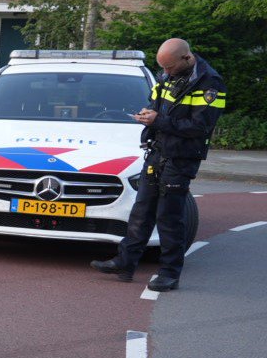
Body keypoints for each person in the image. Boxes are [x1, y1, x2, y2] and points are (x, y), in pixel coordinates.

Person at [91, 38, 226, 291]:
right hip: (157, 152)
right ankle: (125, 262)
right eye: (163, 68)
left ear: (186, 58)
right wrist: (147, 116)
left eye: (170, 68)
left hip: (181, 158)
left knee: (169, 218)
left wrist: (158, 121)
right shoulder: (168, 77)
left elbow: (200, 127)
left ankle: (169, 274)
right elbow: (156, 105)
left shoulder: (210, 84)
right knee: (140, 212)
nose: (165, 73)